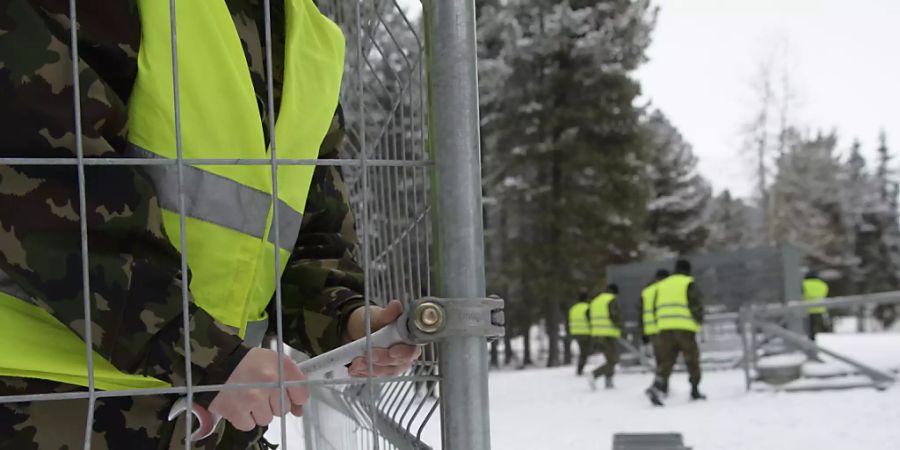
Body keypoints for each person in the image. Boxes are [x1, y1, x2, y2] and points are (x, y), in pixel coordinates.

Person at [0, 1, 420, 448]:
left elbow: (303, 228)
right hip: (49, 407)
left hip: (211, 415)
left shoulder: (308, 37)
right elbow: (45, 183)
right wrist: (205, 355)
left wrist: (346, 319)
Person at [645, 259, 705, 406]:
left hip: (664, 328)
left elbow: (655, 307)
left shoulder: (662, 285)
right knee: (692, 359)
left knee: (666, 361)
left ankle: (657, 386)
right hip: (684, 328)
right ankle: (694, 389)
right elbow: (696, 304)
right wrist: (699, 320)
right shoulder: (688, 283)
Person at [587, 284, 622, 390]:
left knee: (609, 359)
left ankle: (609, 381)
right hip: (609, 334)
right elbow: (614, 315)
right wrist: (620, 326)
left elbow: (588, 315)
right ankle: (594, 374)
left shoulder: (595, 301)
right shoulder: (611, 299)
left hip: (597, 334)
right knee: (613, 360)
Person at [639, 269, 670, 368]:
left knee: (659, 356)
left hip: (650, 328)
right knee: (665, 356)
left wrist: (643, 331)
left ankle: (660, 376)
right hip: (663, 326)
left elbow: (641, 312)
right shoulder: (664, 289)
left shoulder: (646, 291)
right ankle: (661, 378)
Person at [567, 291, 592, 375]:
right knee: (584, 352)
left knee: (583, 351)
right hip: (585, 332)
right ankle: (580, 369)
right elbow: (590, 320)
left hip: (576, 333)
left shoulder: (573, 308)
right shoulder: (587, 307)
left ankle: (580, 368)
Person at [802, 271, 830, 341]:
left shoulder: (803, 284)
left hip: (806, 310)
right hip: (819, 310)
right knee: (814, 330)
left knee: (806, 329)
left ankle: (806, 344)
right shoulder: (823, 284)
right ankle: (812, 342)